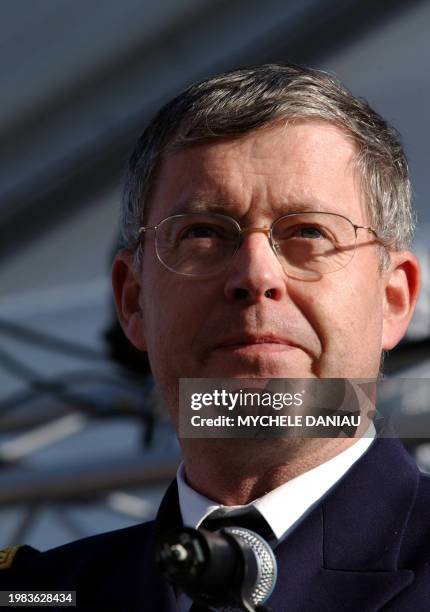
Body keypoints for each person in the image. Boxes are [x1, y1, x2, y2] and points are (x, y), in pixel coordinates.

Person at [1, 63, 428, 611]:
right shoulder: (44, 594)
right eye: (202, 233)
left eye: (308, 233)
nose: (256, 275)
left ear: (394, 299)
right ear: (133, 302)